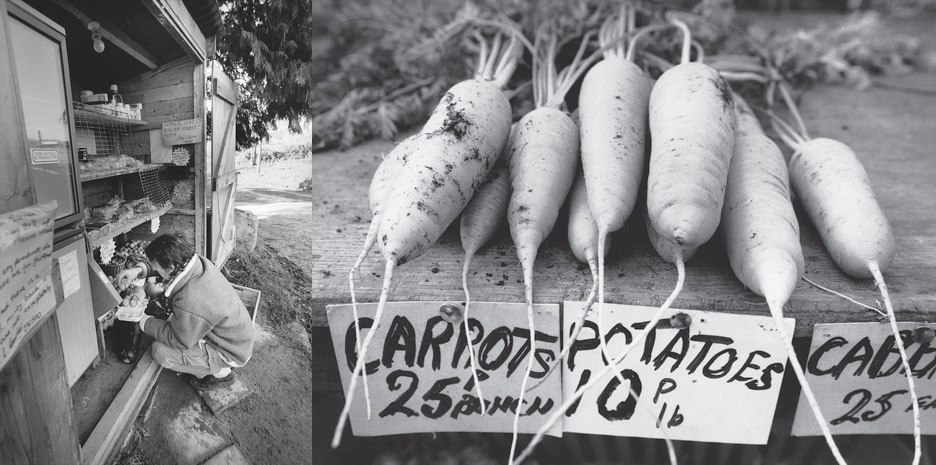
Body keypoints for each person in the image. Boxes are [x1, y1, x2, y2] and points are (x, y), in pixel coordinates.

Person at [115, 233, 254, 391]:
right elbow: (166, 269)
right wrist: (138, 271)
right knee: (172, 319)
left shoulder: (190, 300)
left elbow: (178, 340)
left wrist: (142, 320)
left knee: (160, 352)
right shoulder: (197, 264)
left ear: (171, 268)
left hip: (230, 351)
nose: (153, 268)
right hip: (235, 335)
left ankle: (222, 374)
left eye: (156, 266)